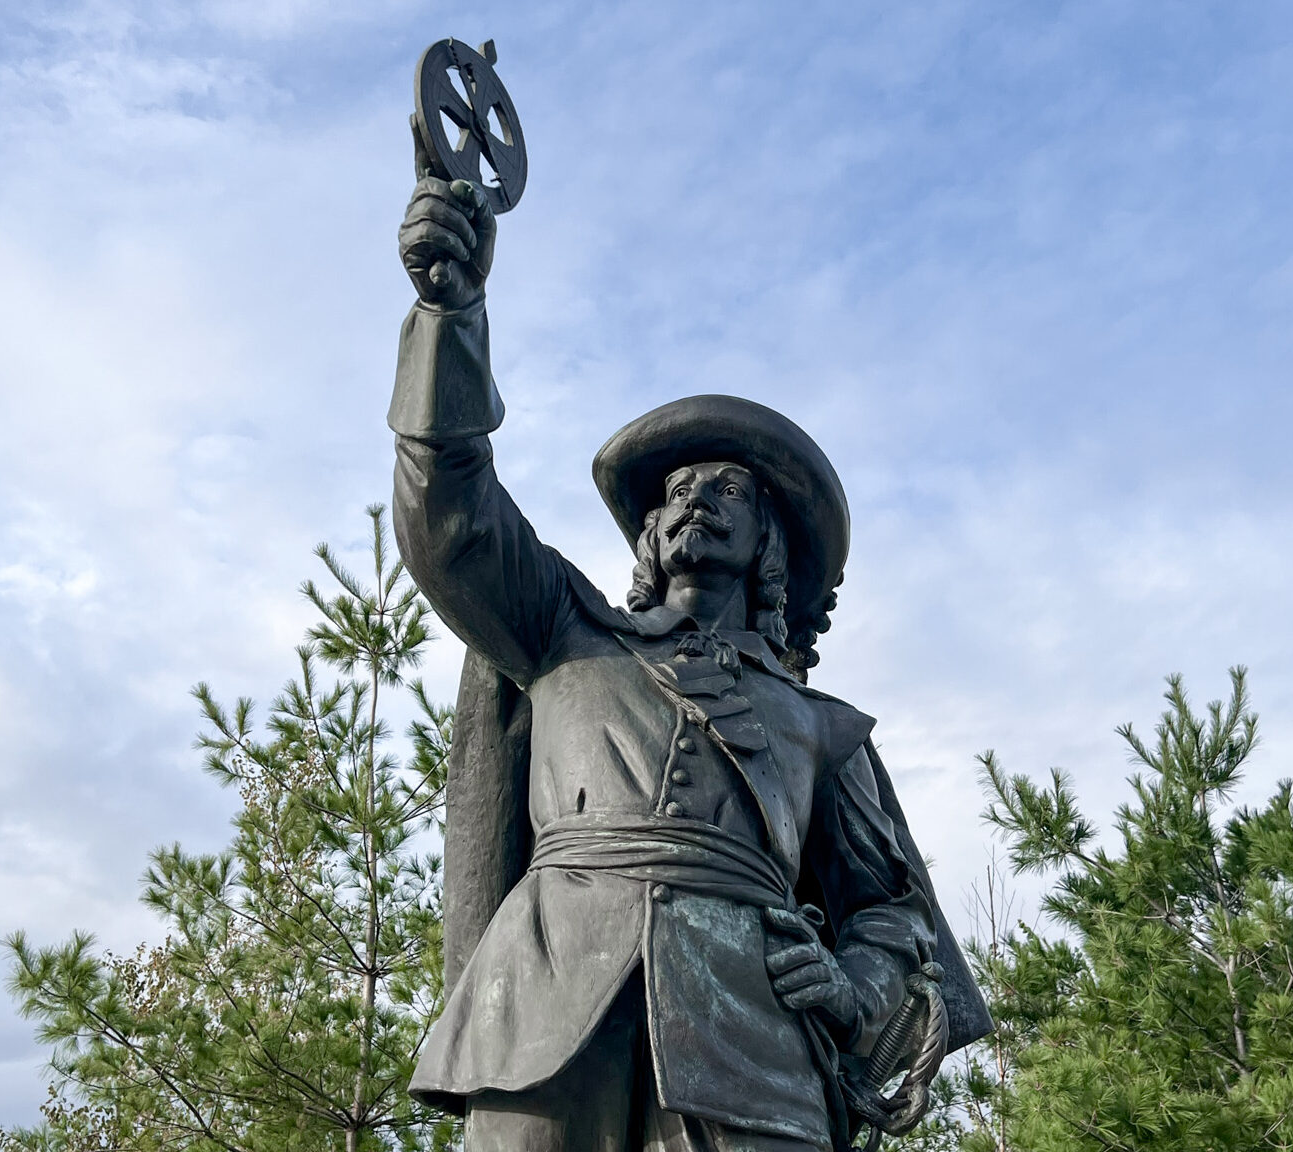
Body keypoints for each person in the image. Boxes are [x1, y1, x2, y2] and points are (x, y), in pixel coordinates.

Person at [389, 170, 986, 1152]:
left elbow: (891, 913)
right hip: (542, 1015)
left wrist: (851, 987)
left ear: (769, 542)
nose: (689, 500)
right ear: (649, 536)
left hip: (751, 1038)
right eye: (670, 492)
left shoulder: (817, 726)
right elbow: (450, 517)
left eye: (724, 489)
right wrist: (447, 314)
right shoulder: (559, 631)